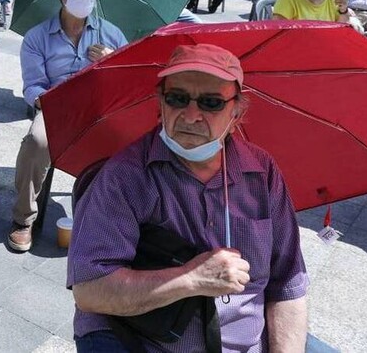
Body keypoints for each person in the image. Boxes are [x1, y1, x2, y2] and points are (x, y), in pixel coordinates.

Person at [67, 44, 308, 352]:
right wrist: (192, 278)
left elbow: (288, 283)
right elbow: (90, 289)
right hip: (146, 339)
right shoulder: (124, 177)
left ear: (237, 112)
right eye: (177, 98)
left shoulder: (263, 173)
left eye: (211, 103)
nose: (191, 115)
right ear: (160, 102)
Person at [7, 0, 127, 252]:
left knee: (131, 145)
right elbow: (33, 86)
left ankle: (114, 222)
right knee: (36, 142)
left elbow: (126, 80)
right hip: (56, 108)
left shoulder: (110, 34)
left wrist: (111, 61)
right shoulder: (37, 37)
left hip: (99, 110)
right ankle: (24, 218)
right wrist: (48, 101)